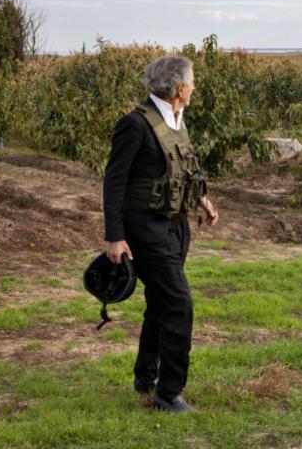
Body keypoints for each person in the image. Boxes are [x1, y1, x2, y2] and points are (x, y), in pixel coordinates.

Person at [102, 55, 218, 414]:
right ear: (180, 88)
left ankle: (145, 376)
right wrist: (114, 237)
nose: (195, 88)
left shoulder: (176, 120)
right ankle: (168, 394)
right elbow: (114, 180)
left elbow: (176, 171)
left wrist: (200, 199)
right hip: (146, 230)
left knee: (160, 303)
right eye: (192, 82)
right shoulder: (135, 124)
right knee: (179, 304)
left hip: (175, 227)